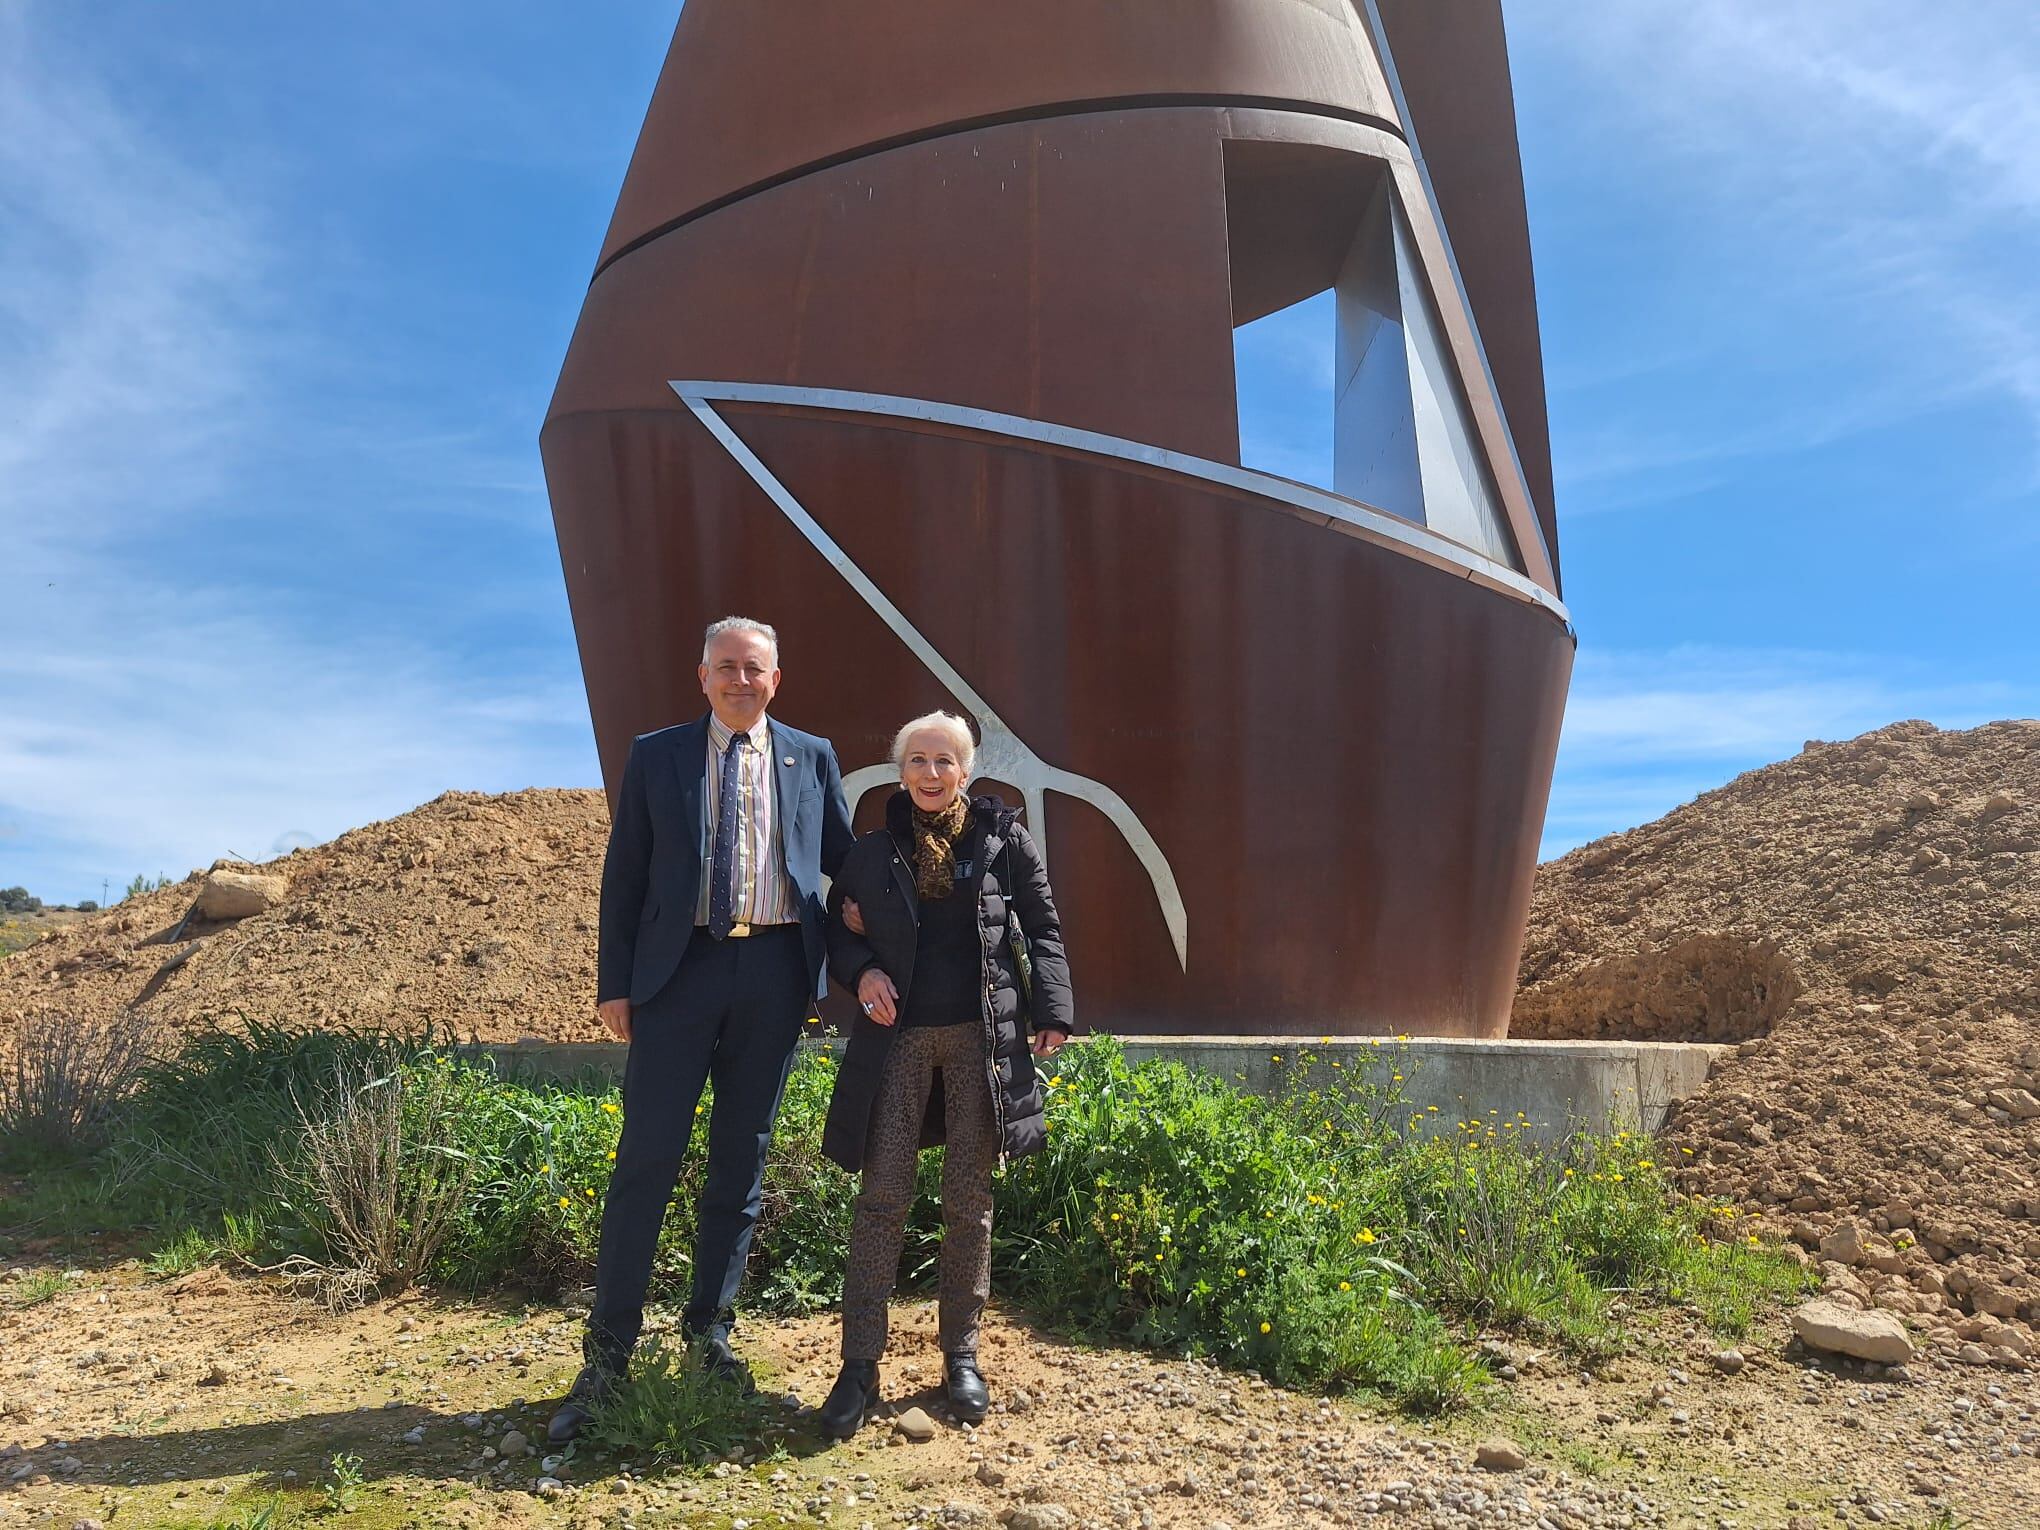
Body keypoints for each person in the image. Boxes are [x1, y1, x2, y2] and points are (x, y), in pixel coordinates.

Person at [549, 617, 855, 1444]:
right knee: (646, 1159)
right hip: (676, 976)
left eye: (755, 669)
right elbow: (627, 875)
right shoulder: (659, 755)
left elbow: (847, 863)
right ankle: (607, 1355)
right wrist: (616, 985)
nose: (741, 681)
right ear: (703, 676)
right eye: (727, 668)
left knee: (740, 1159)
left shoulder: (810, 756)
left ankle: (708, 1337)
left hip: (776, 975)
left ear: (775, 679)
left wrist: (878, 949)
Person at [815, 711, 1073, 1439]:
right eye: (918, 761)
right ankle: (857, 1366)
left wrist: (1053, 1010)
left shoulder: (1002, 839)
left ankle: (961, 1356)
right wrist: (861, 970)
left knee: (970, 1201)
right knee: (883, 1199)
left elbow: (1043, 926)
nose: (931, 774)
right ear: (902, 772)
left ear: (966, 770)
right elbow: (835, 926)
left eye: (945, 761)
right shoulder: (870, 851)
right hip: (895, 1045)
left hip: (980, 1045)